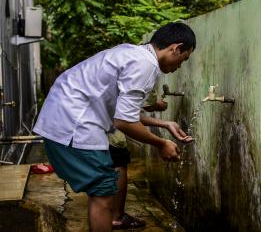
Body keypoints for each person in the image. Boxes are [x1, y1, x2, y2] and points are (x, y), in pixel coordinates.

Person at [33, 22, 196, 232]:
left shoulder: (131, 53)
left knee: (103, 189)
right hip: (74, 125)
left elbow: (123, 113)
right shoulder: (146, 65)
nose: (179, 66)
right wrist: (160, 143)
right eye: (183, 59)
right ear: (176, 47)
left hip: (62, 118)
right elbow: (124, 122)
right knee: (103, 192)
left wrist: (164, 124)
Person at [108, 99, 168, 230]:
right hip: (106, 119)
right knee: (119, 159)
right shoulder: (142, 77)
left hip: (89, 118)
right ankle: (116, 218)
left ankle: (108, 212)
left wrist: (165, 124)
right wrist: (161, 143)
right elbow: (125, 118)